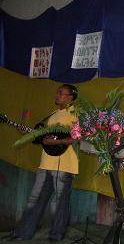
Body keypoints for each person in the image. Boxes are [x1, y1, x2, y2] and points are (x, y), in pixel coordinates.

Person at [3, 84, 79, 242]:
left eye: (61, 93)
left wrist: (57, 141)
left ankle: (56, 235)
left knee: (60, 202)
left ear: (70, 97)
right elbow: (45, 138)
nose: (57, 95)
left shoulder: (75, 114)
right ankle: (22, 233)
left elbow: (78, 137)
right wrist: (29, 131)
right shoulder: (52, 115)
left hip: (64, 165)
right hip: (45, 164)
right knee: (35, 199)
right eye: (57, 92)